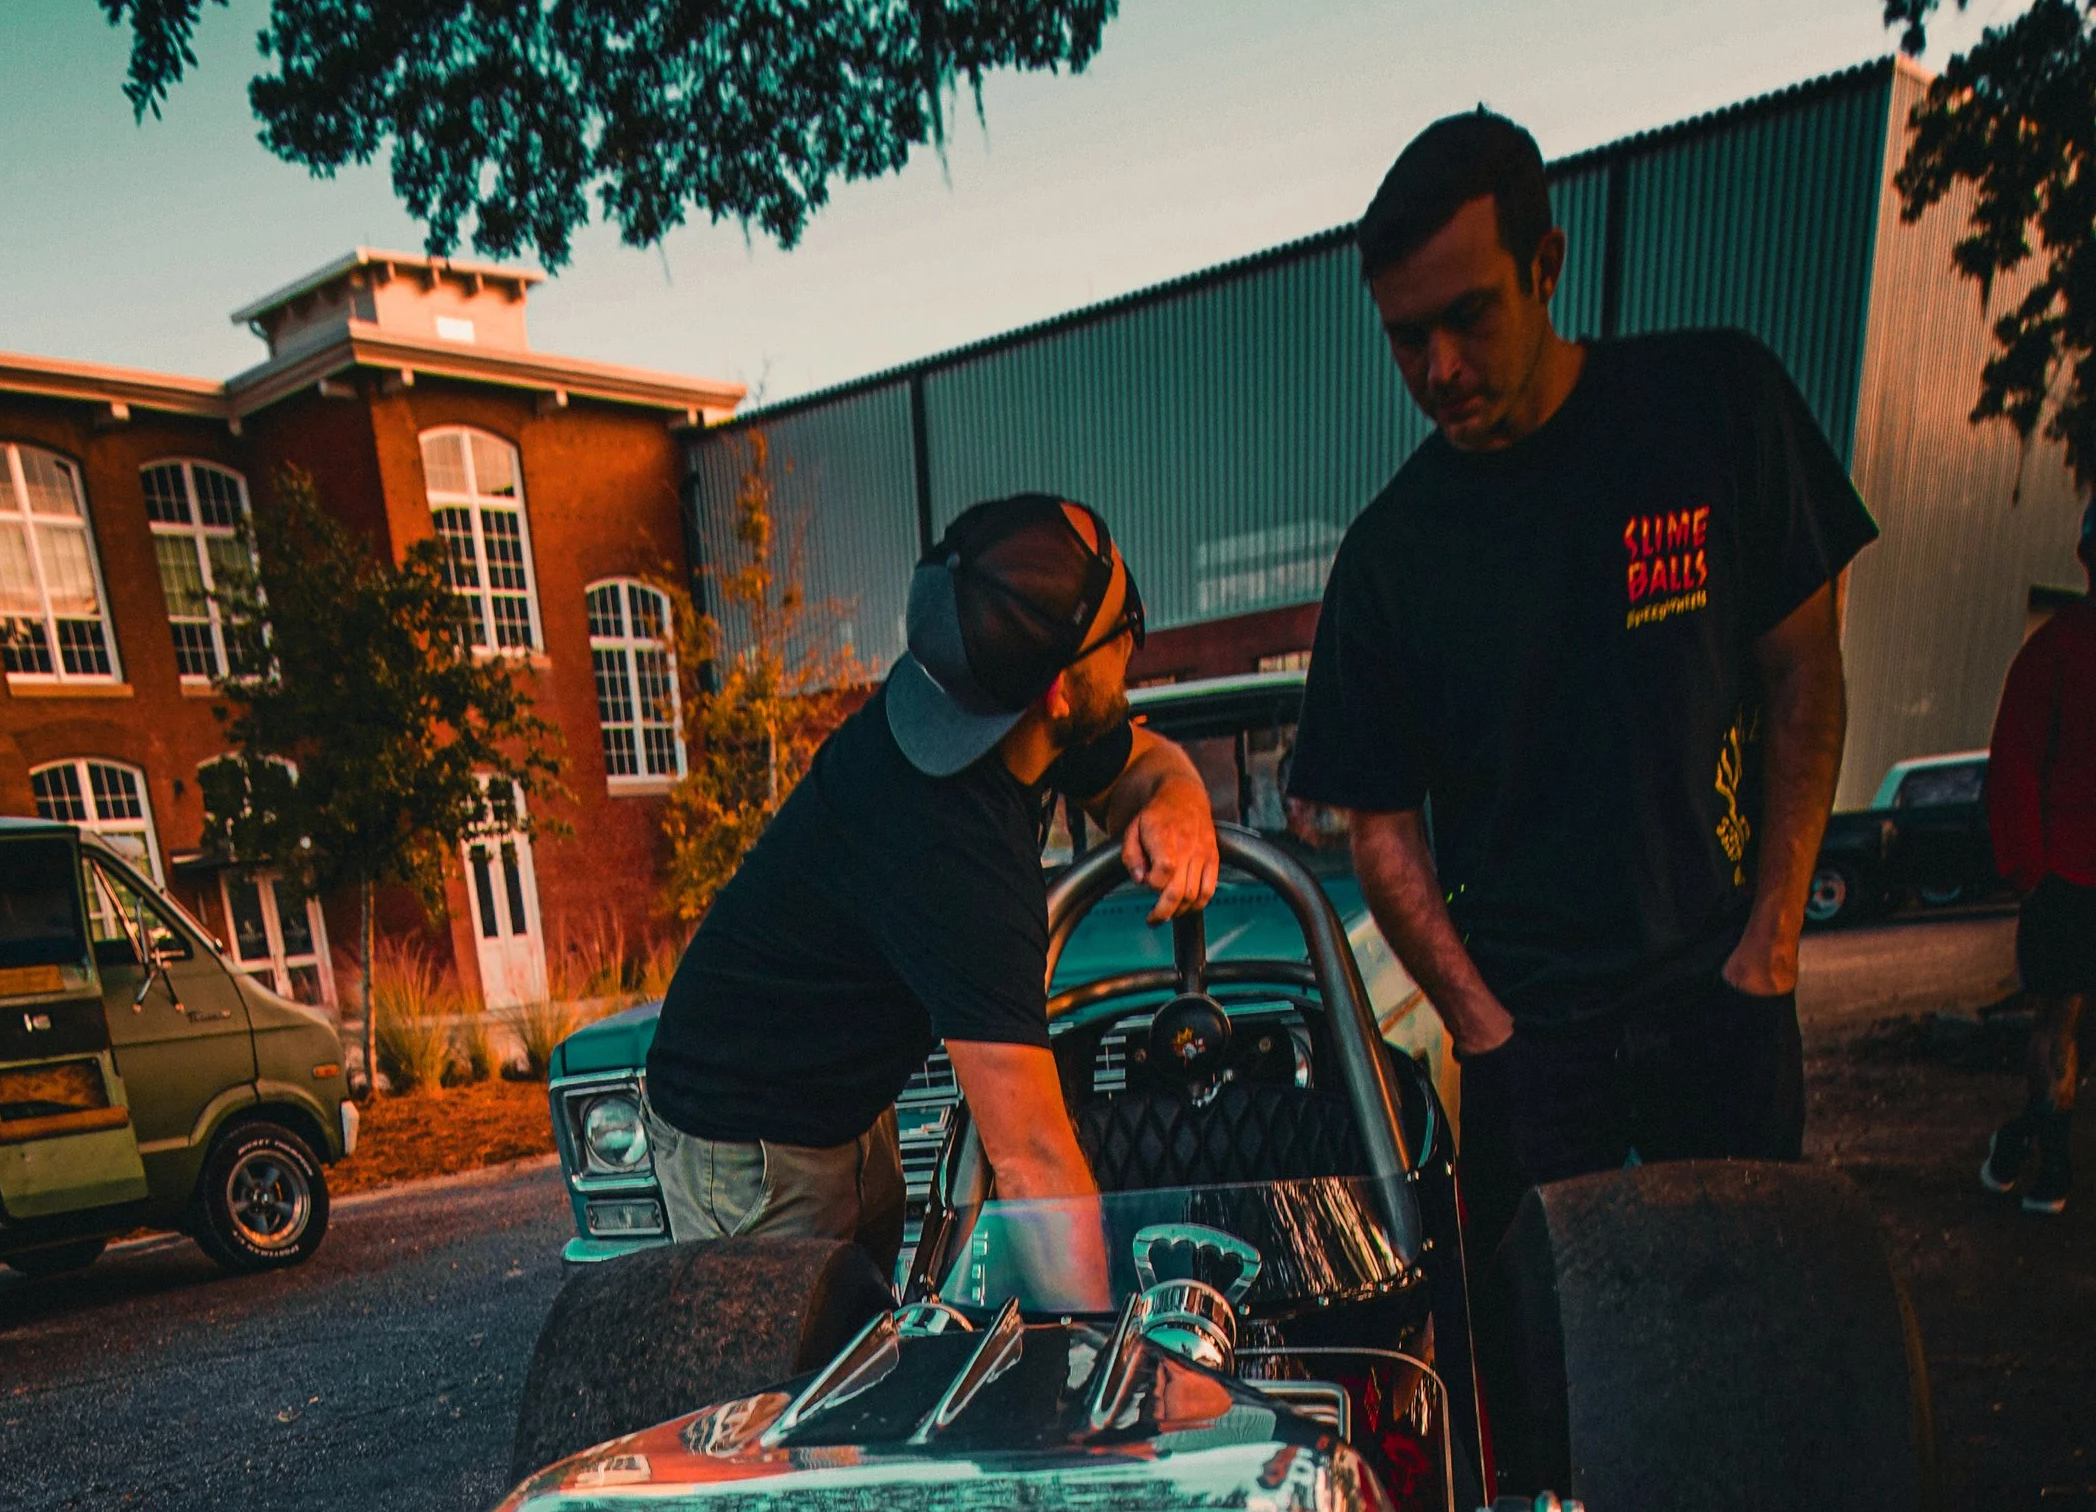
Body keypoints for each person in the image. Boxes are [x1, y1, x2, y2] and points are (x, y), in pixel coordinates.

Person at [1286, 109, 1878, 1295]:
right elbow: (1381, 832)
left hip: (1720, 994)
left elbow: (1804, 670)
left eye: (1468, 317)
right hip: (1532, 1042)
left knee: (1747, 1321)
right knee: (1548, 1372)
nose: (1439, 368)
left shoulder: (1712, 406)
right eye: (1407, 339)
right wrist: (1482, 1027)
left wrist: (1770, 943)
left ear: (1545, 266)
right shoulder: (1389, 556)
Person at [641, 494, 1217, 1288]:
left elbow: (1140, 761)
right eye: (1131, 633)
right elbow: (1034, 1166)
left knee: (874, 1356)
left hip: (845, 1105)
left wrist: (1179, 801)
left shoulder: (989, 702)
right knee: (793, 1400)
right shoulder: (953, 849)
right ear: (1056, 691)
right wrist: (1103, 1380)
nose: (1135, 657)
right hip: (748, 1150)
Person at [1982, 491, 2096, 1220]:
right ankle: (2050, 1158)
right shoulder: (2055, 649)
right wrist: (2033, 870)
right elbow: (2015, 761)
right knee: (2058, 1016)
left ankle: (2022, 1137)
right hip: (2067, 880)